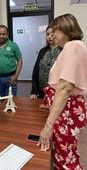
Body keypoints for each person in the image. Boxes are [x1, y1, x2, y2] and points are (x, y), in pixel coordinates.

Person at [37, 14, 87, 169]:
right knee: (67, 153)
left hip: (66, 111)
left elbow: (65, 88)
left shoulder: (73, 46)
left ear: (66, 29)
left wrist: (48, 125)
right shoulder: (75, 47)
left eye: (55, 31)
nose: (52, 35)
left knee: (65, 158)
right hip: (65, 109)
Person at [0, 25, 22, 97]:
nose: (1, 36)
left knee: (11, 99)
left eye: (4, 34)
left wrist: (16, 76)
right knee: (0, 100)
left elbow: (20, 60)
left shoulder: (13, 45)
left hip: (11, 77)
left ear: (7, 35)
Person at [30, 25, 61, 100]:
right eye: (47, 34)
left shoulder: (63, 51)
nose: (50, 36)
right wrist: (33, 90)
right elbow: (36, 70)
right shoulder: (42, 51)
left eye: (52, 34)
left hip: (57, 92)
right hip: (42, 91)